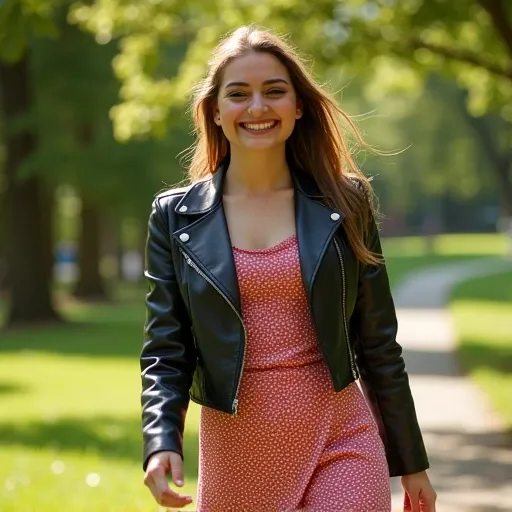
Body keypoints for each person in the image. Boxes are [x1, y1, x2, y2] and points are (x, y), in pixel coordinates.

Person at [141, 25, 437, 512]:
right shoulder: (175, 218)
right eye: (239, 94)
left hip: (341, 437)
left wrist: (411, 461)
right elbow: (166, 351)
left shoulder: (346, 202)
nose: (257, 107)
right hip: (237, 453)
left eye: (274, 92)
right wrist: (160, 441)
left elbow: (378, 342)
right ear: (215, 111)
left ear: (298, 105)